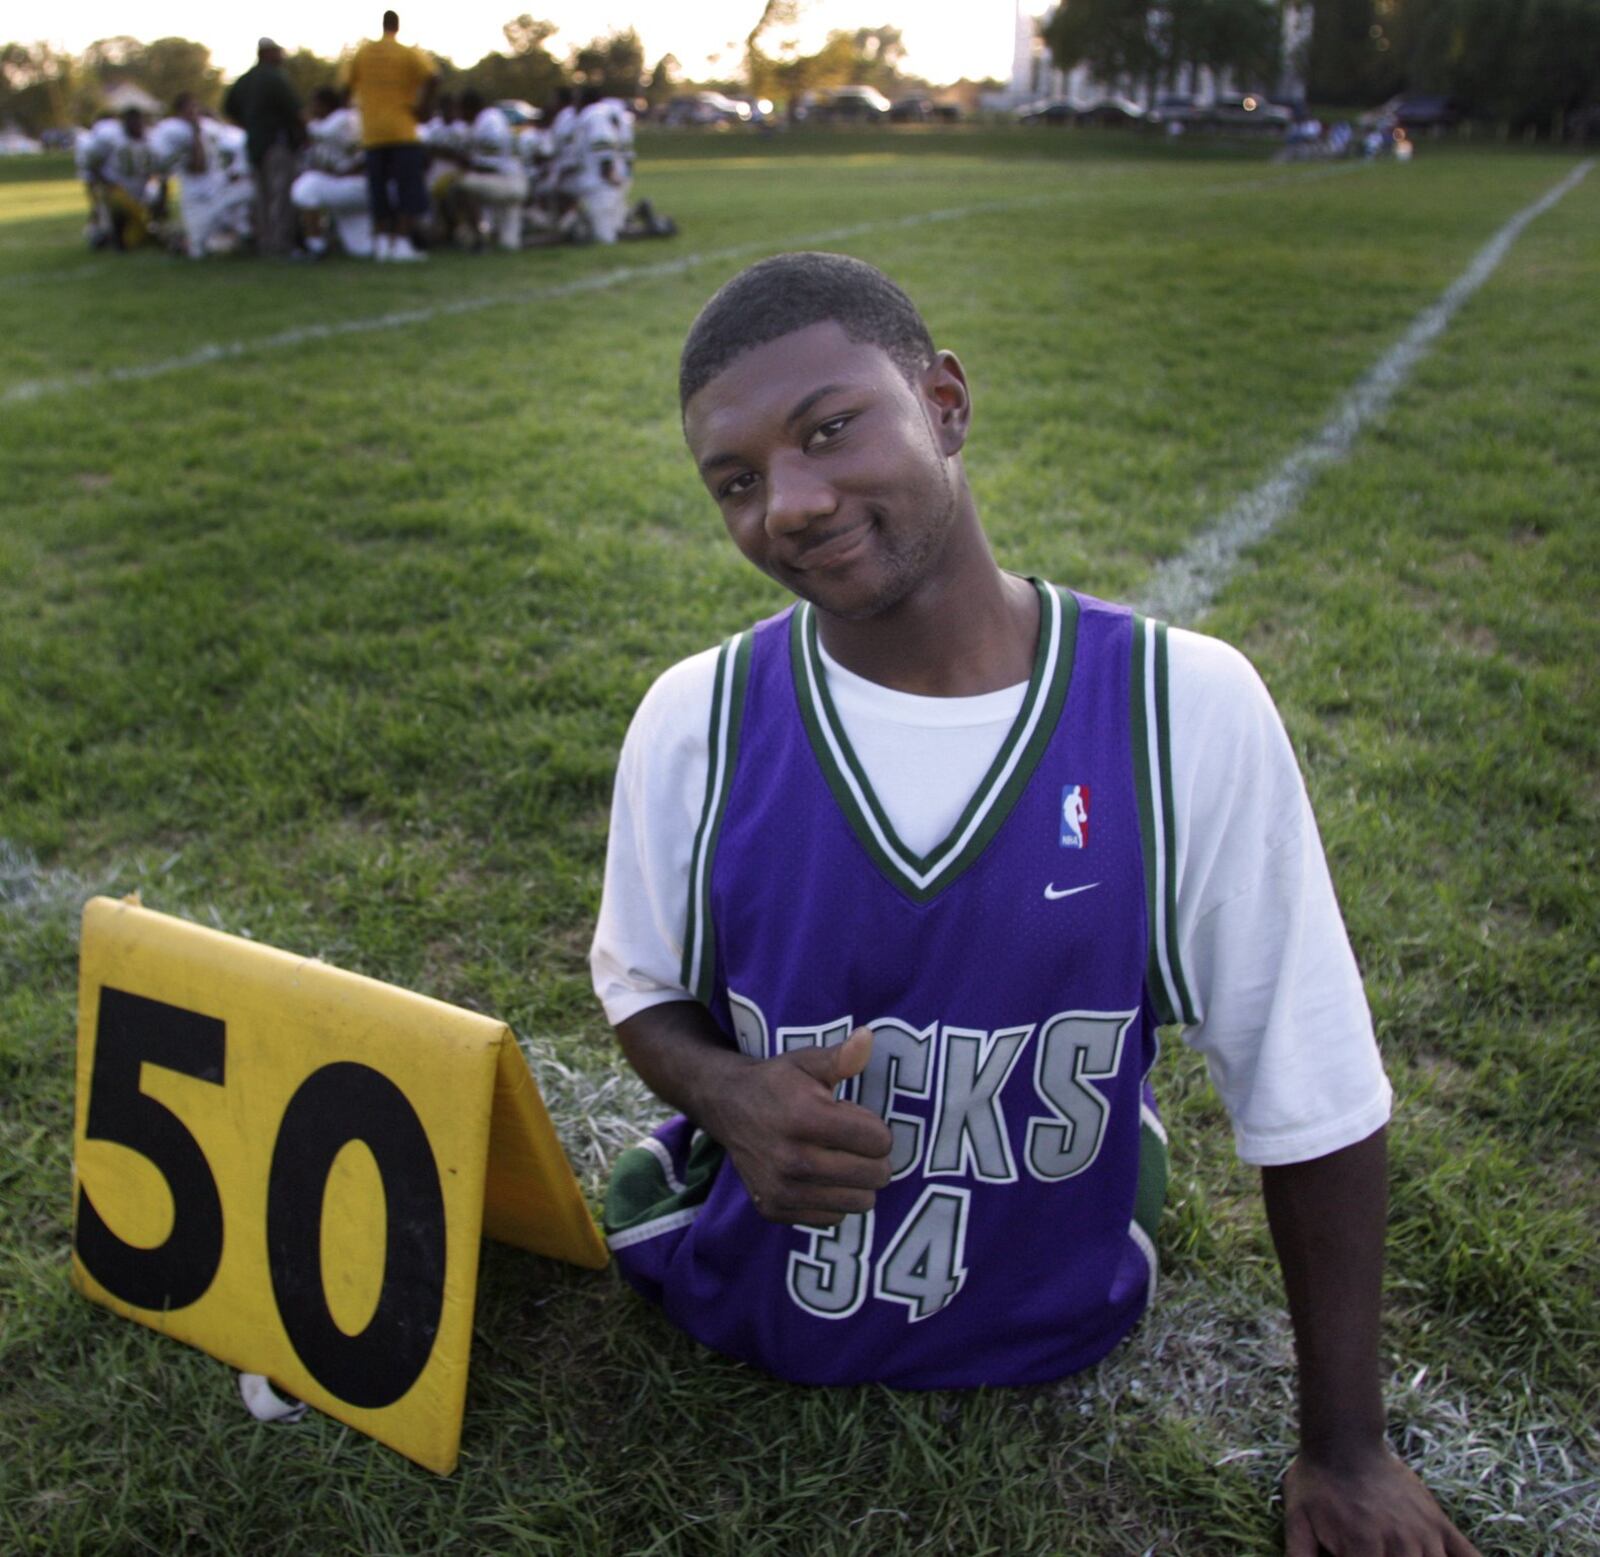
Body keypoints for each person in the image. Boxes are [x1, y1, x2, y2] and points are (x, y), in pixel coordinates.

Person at [589, 252, 1482, 1557]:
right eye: (735, 480)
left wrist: (1346, 1445)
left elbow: (1314, 1080)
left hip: (1063, 1306)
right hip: (751, 1297)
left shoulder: (1181, 706)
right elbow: (641, 986)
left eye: (830, 428)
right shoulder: (698, 718)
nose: (787, 502)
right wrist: (723, 1093)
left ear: (945, 402)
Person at [343, 9, 436, 263]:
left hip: (372, 133)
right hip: (402, 130)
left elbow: (345, 86)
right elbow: (433, 77)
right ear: (398, 26)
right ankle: (402, 244)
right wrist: (422, 107)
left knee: (378, 190)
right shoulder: (407, 53)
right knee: (408, 188)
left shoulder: (363, 53)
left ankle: (383, 243)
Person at [223, 38, 305, 257]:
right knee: (280, 195)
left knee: (262, 197)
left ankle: (265, 243)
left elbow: (229, 108)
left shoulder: (244, 80)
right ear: (267, 53)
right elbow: (295, 111)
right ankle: (280, 245)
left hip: (255, 145)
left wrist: (250, 126)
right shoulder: (274, 78)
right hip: (276, 144)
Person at [148, 95, 255, 258]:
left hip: (219, 185)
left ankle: (245, 237)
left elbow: (232, 141)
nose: (194, 112)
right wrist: (196, 132)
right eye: (189, 108)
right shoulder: (174, 131)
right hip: (195, 194)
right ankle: (179, 241)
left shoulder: (208, 127)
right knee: (198, 248)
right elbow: (197, 167)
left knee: (245, 203)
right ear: (179, 111)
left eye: (196, 107)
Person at [291, 87, 374, 258]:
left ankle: (316, 247)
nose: (312, 108)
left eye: (315, 104)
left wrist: (304, 120)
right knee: (362, 250)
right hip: (344, 188)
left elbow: (323, 132)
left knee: (307, 186)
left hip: (357, 184)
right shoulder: (324, 123)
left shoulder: (343, 118)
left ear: (326, 105)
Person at [81, 108, 156, 250]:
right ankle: (115, 239)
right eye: (133, 123)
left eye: (139, 123)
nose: (137, 127)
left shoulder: (149, 138)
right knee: (123, 214)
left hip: (140, 188)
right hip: (116, 188)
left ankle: (111, 238)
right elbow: (91, 162)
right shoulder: (111, 138)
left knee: (139, 221)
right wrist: (104, 183)